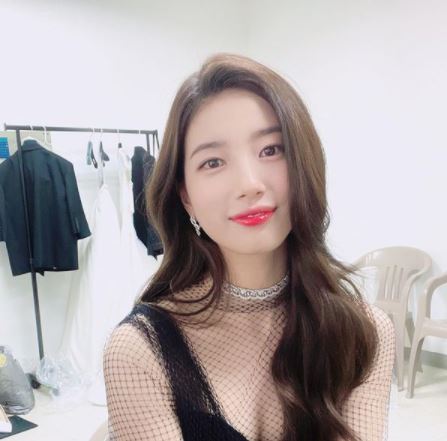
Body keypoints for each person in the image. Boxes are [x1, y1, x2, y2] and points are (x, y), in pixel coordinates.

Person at [103, 53, 395, 441]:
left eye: (271, 149)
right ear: (186, 196)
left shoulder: (363, 333)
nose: (249, 184)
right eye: (213, 162)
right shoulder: (140, 352)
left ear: (304, 162)